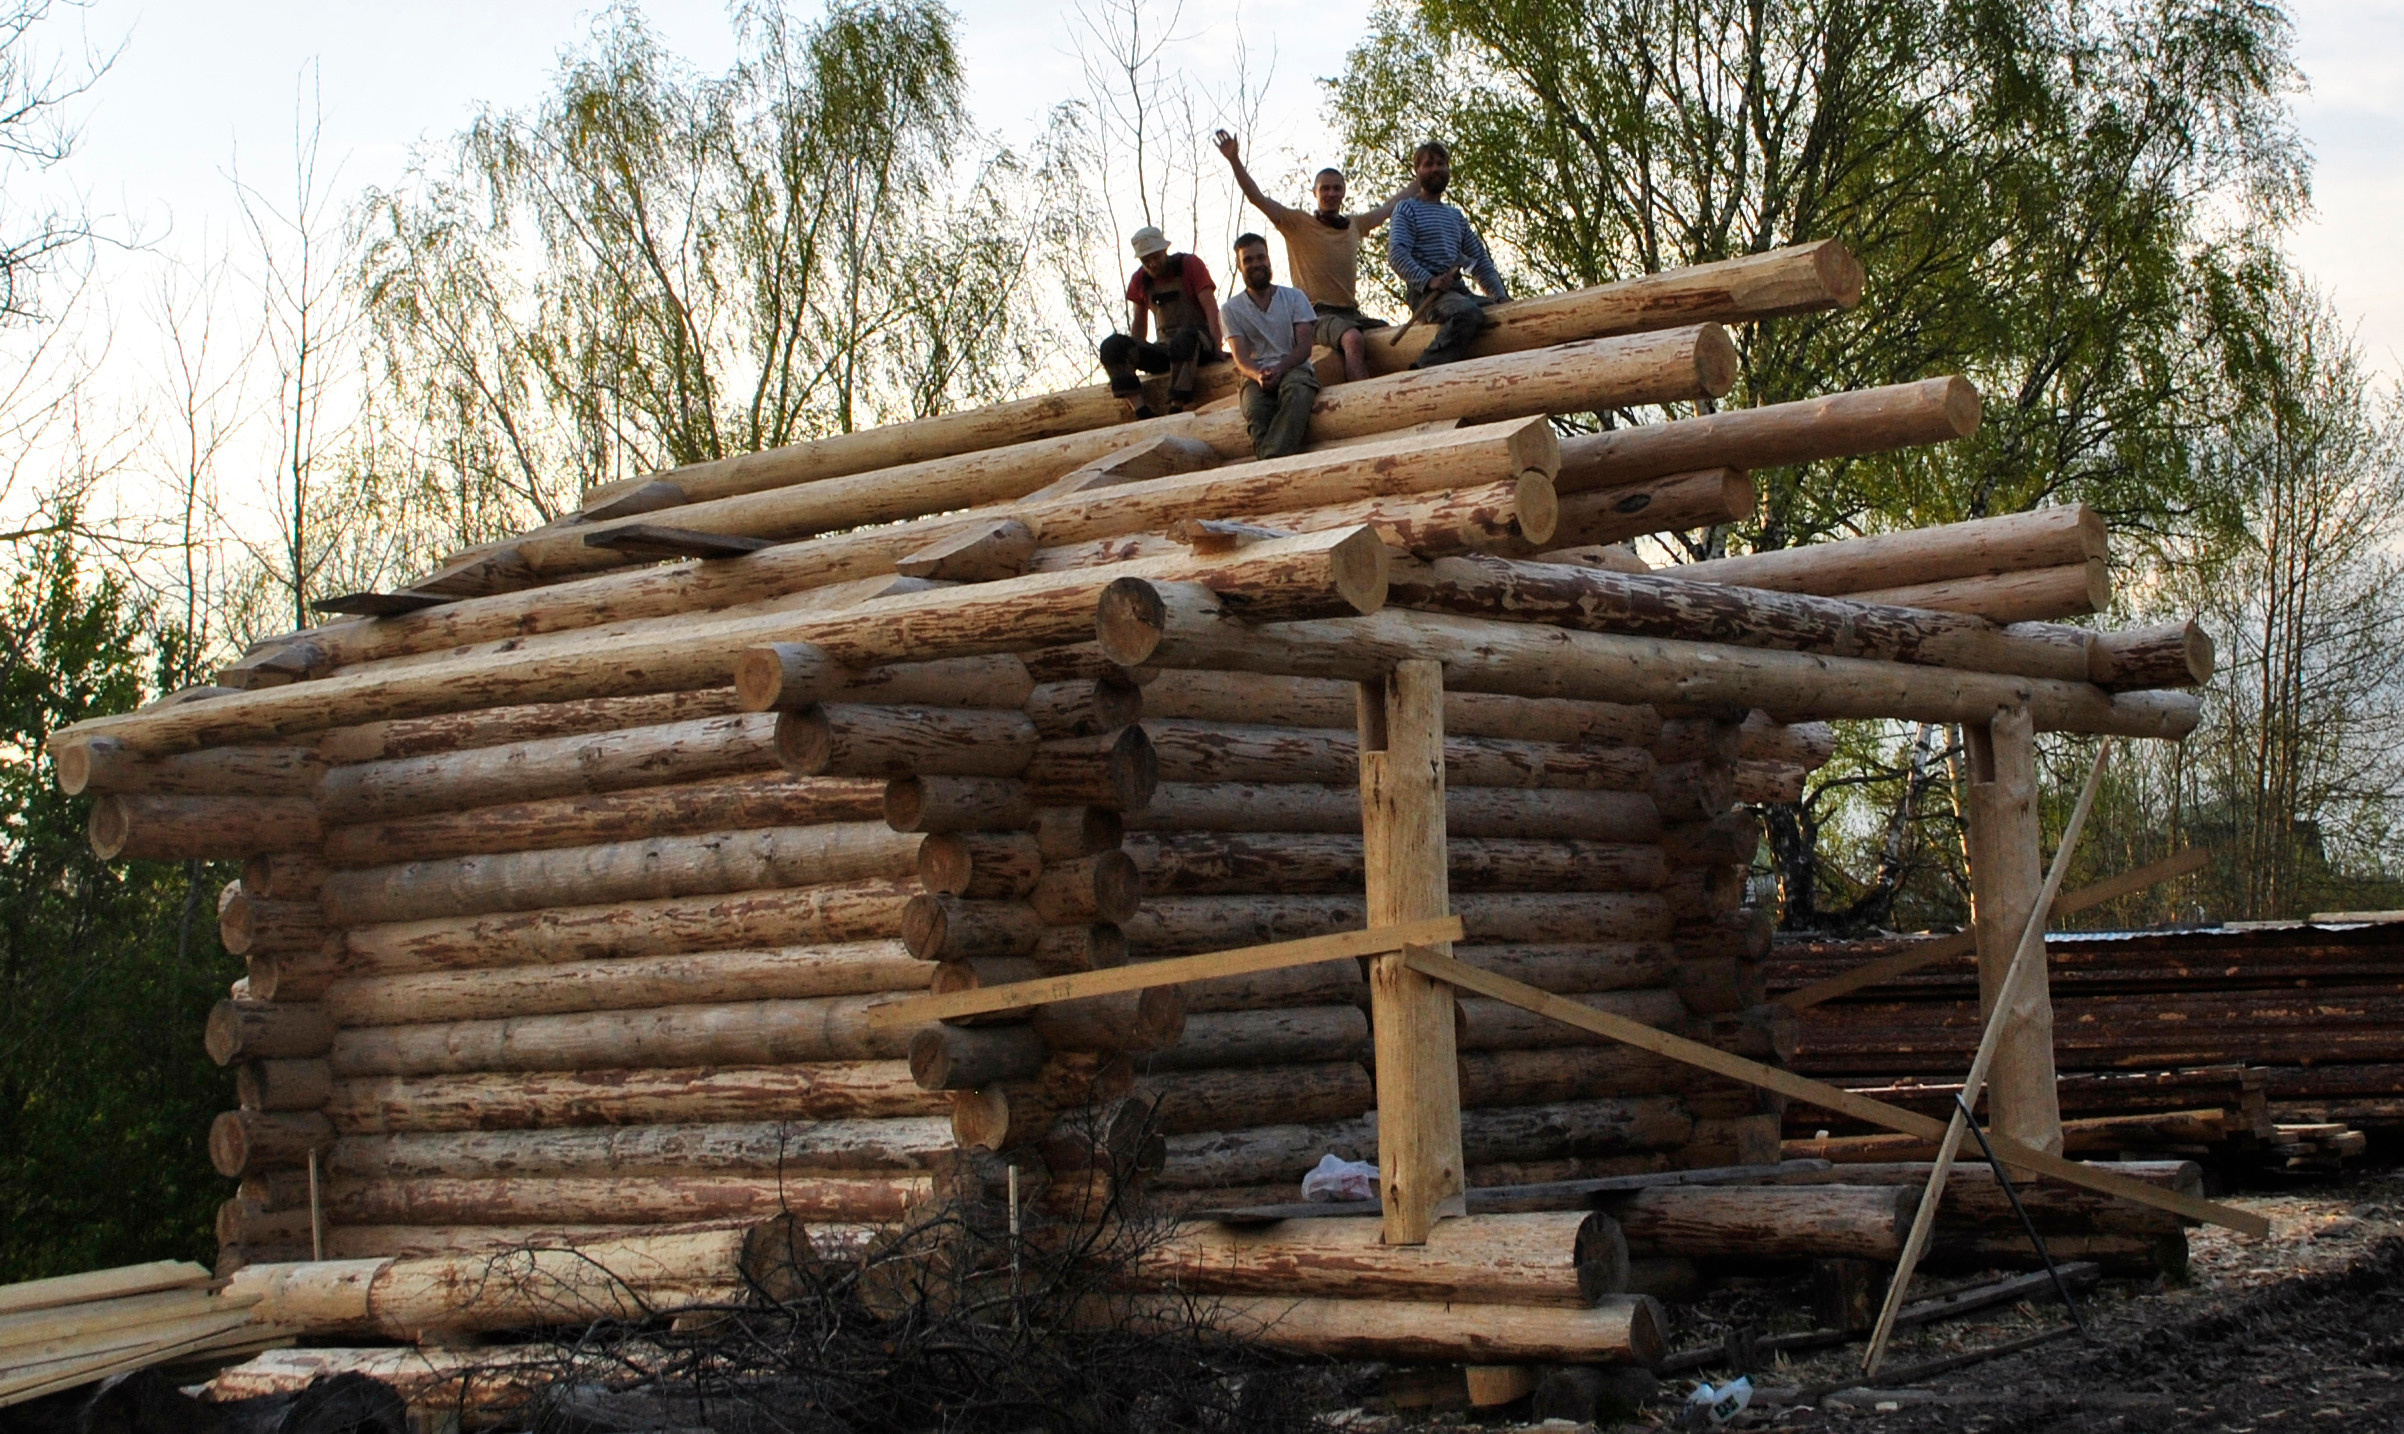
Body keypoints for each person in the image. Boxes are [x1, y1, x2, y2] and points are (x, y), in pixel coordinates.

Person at [1213, 130, 1417, 382]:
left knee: (1391, 337)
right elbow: (1257, 198)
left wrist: (1422, 179)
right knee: (1352, 338)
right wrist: (1234, 160)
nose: (1331, 193)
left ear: (1343, 192)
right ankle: (1362, 397)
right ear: (1315, 193)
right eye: (1325, 188)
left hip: (1351, 312)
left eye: (1336, 188)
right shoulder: (1297, 223)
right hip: (1314, 314)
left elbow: (1390, 206)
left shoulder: (1353, 224)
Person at [1387, 141, 1509, 368]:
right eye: (1428, 164)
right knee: (1468, 314)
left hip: (1456, 290)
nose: (1435, 169)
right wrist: (1429, 281)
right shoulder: (1406, 209)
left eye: (1441, 164)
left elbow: (1479, 262)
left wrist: (1500, 296)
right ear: (1418, 171)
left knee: (1499, 314)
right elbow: (1397, 254)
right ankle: (1423, 369)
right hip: (1426, 294)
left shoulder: (1455, 217)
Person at [1098, 225, 1226, 416]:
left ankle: (1176, 405)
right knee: (1112, 346)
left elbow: (1211, 308)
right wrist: (1135, 357)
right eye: (1146, 261)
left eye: (1156, 257)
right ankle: (1141, 409)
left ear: (1165, 251)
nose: (1152, 264)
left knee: (1184, 338)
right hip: (1166, 348)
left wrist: (1217, 348)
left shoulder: (1189, 265)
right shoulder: (1140, 280)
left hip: (1198, 342)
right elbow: (1139, 324)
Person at [1219, 233, 1320, 460]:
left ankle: (1269, 462)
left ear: (1268, 259)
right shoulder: (1230, 309)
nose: (1256, 264)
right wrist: (1259, 375)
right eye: (1248, 260)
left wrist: (1280, 368)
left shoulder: (1295, 298)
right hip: (1255, 375)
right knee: (1255, 410)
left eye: (1260, 257)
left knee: (1296, 392)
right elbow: (1241, 358)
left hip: (1294, 367)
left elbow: (1305, 347)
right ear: (1239, 265)